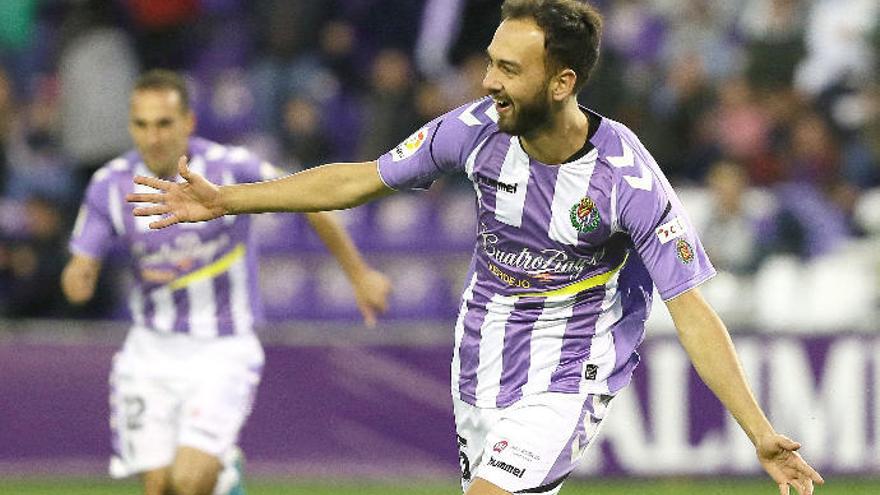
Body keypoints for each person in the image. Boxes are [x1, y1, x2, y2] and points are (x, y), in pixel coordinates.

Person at [127, 2, 824, 494]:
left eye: (507, 69)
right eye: (490, 61)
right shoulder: (479, 127)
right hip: (480, 365)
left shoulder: (628, 180)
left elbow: (692, 309)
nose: (488, 80)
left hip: (566, 375)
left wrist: (759, 430)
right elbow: (361, 177)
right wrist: (226, 199)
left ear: (562, 82)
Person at [61, 69, 391, 495]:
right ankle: (224, 475)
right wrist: (78, 278)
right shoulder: (110, 184)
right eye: (142, 124)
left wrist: (359, 274)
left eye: (164, 123)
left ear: (188, 123)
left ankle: (222, 473)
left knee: (189, 481)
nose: (153, 136)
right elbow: (80, 265)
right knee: (159, 487)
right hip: (149, 350)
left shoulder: (231, 168)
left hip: (222, 347)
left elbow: (310, 202)